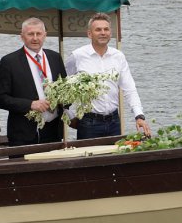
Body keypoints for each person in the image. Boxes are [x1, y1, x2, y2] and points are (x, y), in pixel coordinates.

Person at [65, 12, 151, 140]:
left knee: (114, 158)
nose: (103, 33)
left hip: (114, 122)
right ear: (89, 34)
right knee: (89, 159)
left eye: (106, 29)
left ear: (110, 33)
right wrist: (69, 116)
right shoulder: (77, 56)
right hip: (88, 122)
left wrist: (139, 115)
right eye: (98, 30)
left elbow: (130, 89)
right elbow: (62, 89)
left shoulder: (118, 56)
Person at [0, 17, 67, 146]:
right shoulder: (9, 62)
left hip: (53, 130)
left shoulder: (55, 57)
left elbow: (65, 89)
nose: (35, 38)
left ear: (45, 35)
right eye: (30, 34)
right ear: (22, 37)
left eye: (38, 34)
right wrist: (30, 104)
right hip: (23, 134)